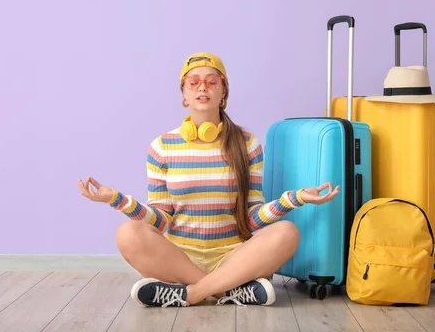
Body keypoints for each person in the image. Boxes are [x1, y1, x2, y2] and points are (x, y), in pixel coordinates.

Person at [78, 52, 340, 308]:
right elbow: (159, 220)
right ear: (184, 93)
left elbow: (251, 218)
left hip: (234, 257)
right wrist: (115, 199)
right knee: (128, 233)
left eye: (212, 81)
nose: (202, 88)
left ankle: (190, 294)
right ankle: (228, 290)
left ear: (223, 91)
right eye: (194, 82)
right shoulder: (162, 147)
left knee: (287, 232)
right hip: (179, 259)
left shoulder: (247, 144)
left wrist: (294, 199)